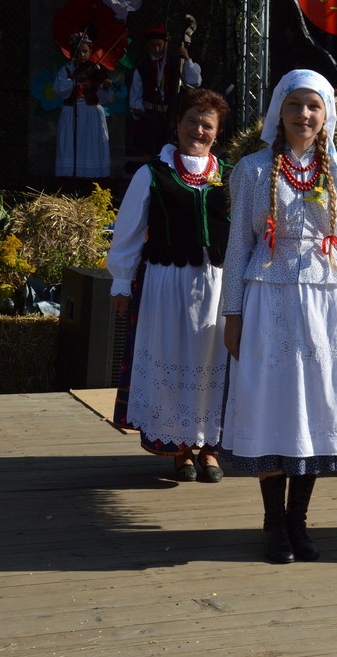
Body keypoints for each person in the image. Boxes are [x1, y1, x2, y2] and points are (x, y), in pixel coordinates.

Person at [221, 69, 337, 564]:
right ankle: (273, 523)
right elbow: (237, 246)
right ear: (278, 112)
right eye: (295, 105)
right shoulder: (254, 170)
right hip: (269, 299)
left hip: (327, 304)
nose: (304, 114)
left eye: (313, 106)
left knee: (316, 407)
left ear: (326, 115)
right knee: (272, 405)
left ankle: (298, 520)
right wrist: (232, 313)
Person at [107, 87, 231, 483]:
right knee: (173, 358)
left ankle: (210, 447)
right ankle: (179, 448)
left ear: (217, 132)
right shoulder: (153, 173)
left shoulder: (231, 176)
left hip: (218, 287)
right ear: (177, 124)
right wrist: (121, 282)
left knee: (213, 363)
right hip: (166, 285)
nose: (198, 130)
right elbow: (128, 231)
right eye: (192, 121)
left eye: (207, 124)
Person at [129, 24, 202, 159]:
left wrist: (187, 59)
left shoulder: (176, 62)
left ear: (165, 44)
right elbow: (136, 91)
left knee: (170, 149)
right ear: (147, 46)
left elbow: (194, 82)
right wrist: (137, 108)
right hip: (149, 115)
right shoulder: (142, 66)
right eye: (153, 45)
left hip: (170, 114)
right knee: (148, 150)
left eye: (159, 45)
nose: (156, 49)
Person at [53, 32, 113, 181]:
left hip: (92, 114)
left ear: (90, 52)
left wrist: (105, 88)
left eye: (85, 51)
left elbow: (106, 98)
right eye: (78, 51)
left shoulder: (97, 70)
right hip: (72, 112)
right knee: (71, 147)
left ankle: (92, 181)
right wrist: (75, 81)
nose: (82, 55)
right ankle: (70, 180)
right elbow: (59, 90)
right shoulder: (67, 70)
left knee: (91, 146)